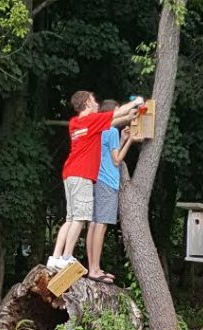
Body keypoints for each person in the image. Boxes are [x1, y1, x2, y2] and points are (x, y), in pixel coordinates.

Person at [47, 91, 143, 271]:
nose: (95, 102)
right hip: (82, 175)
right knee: (80, 218)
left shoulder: (75, 123)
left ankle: (55, 257)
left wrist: (127, 117)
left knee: (70, 218)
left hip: (70, 173)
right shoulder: (91, 120)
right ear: (86, 104)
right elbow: (116, 113)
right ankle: (67, 257)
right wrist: (136, 102)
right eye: (92, 100)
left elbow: (110, 122)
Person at [86, 99, 137, 283]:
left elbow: (108, 153)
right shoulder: (112, 130)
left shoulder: (100, 129)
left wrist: (122, 140)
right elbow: (116, 160)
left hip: (95, 179)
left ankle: (92, 267)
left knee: (93, 223)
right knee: (102, 225)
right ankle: (96, 269)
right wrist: (130, 140)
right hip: (108, 181)